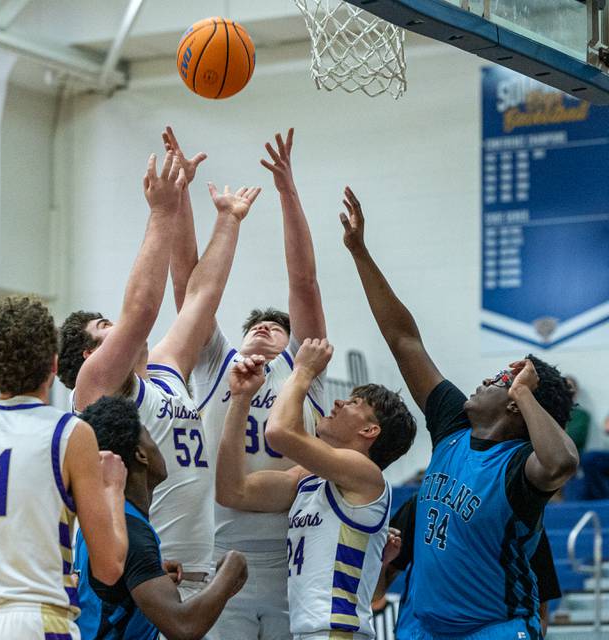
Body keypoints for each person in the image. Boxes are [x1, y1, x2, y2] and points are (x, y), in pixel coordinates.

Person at [340, 186, 577, 638]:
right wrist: (359, 252)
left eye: (501, 381)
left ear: (515, 404)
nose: (487, 379)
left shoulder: (519, 471)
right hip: (422, 625)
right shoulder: (453, 423)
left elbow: (563, 462)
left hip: (494, 628)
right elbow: (403, 339)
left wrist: (525, 394)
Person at [59, 148, 261, 601]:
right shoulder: (97, 390)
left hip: (196, 574)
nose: (122, 327)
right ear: (93, 354)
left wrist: (228, 221)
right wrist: (162, 212)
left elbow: (200, 298)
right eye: (106, 328)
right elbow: (142, 310)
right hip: (138, 578)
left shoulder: (164, 373)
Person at [166, 128, 328, 640]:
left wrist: (287, 190)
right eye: (255, 325)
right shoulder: (218, 364)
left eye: (275, 326)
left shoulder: (306, 368)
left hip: (290, 555)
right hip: (218, 551)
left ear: (291, 339)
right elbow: (190, 288)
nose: (263, 327)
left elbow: (303, 280)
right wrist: (180, 197)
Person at [0, 296, 128, 640]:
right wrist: (113, 490)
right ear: (54, 364)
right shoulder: (70, 433)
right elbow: (110, 567)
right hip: (35, 623)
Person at [216, 338, 416, 639]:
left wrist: (303, 370)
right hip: (308, 631)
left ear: (369, 430)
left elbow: (279, 432)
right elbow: (233, 491)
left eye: (353, 403)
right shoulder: (308, 478)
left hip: (336, 632)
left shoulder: (366, 474)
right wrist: (240, 400)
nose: (338, 403)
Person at [75, 396, 248, 640]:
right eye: (151, 437)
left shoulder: (104, 520)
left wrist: (147, 575)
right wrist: (232, 568)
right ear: (141, 455)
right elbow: (184, 627)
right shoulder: (133, 533)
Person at [379, 493, 562, 638]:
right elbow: (376, 591)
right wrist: (381, 561)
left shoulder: (520, 513)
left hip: (496, 628)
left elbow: (542, 607)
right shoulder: (421, 504)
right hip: (422, 629)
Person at [564, 376, 590, 455]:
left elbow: (576, 438)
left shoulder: (582, 415)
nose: (566, 390)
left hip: (573, 455)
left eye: (569, 387)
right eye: (563, 386)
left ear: (576, 391)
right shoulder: (551, 411)